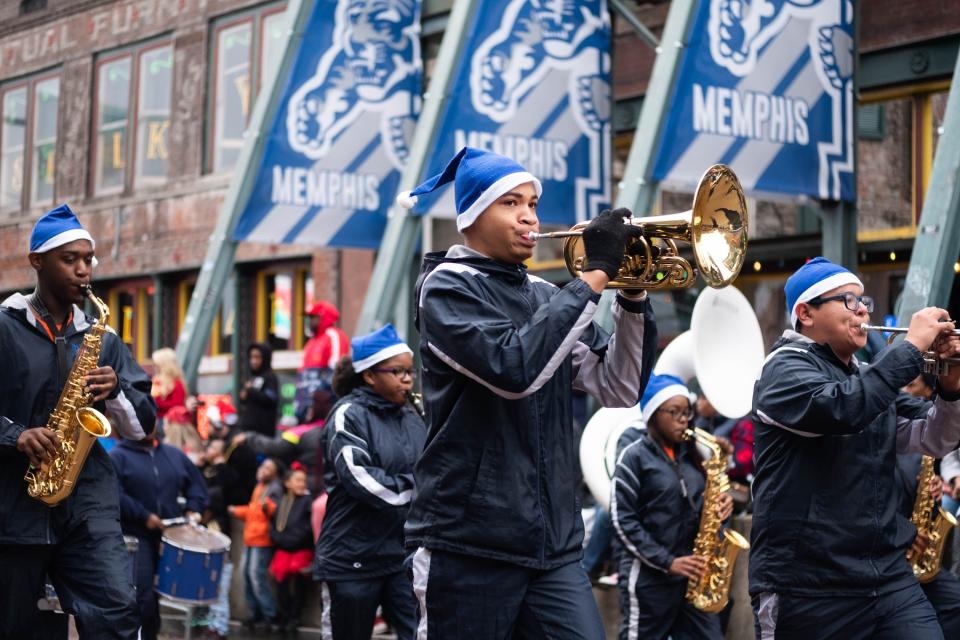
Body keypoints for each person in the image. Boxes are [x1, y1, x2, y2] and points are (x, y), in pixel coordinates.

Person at [399, 147, 656, 638]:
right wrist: (595, 274)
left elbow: (618, 385)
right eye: (511, 203)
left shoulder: (544, 294)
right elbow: (514, 369)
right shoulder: (446, 288)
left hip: (553, 547)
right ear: (472, 216)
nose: (529, 217)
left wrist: (632, 294)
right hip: (469, 545)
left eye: (533, 204)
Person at [750, 257, 960, 639]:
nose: (863, 309)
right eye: (849, 300)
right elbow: (843, 409)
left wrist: (952, 383)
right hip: (809, 587)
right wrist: (911, 347)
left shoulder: (866, 378)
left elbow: (936, 436)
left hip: (886, 577)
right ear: (805, 313)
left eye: (865, 301)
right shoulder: (781, 370)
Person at [0, 204, 156, 639]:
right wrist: (15, 436)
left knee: (117, 615)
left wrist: (118, 391)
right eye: (70, 260)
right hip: (13, 510)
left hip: (86, 507)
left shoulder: (103, 339)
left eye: (88, 260)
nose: (83, 270)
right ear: (37, 261)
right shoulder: (4, 329)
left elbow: (143, 429)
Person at [314, 324, 427, 640]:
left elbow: (432, 467)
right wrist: (419, 491)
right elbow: (361, 480)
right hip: (353, 558)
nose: (406, 379)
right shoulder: (347, 415)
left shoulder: (412, 415)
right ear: (368, 375)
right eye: (396, 371)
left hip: (402, 556)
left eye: (409, 371)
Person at [611, 373, 733, 640]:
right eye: (674, 412)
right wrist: (668, 562)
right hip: (649, 580)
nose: (683, 419)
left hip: (694, 577)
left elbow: (706, 508)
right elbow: (622, 520)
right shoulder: (633, 456)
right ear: (654, 415)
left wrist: (723, 506)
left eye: (687, 412)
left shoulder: (694, 455)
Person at [109, 435, 209, 640]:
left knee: (155, 597)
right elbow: (113, 492)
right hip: (134, 537)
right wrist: (143, 515)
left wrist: (193, 509)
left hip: (170, 536)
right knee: (142, 595)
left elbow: (197, 485)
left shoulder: (174, 454)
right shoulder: (118, 456)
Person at [229, 457, 283, 631]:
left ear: (275, 472)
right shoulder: (260, 486)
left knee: (256, 577)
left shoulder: (274, 488)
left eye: (268, 467)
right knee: (246, 576)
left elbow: (271, 511)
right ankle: (255, 614)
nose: (263, 469)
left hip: (262, 539)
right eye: (263, 466)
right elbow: (254, 511)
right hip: (250, 537)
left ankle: (272, 615)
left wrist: (265, 507)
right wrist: (237, 510)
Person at [270, 464, 315, 633]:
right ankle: (286, 614)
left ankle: (295, 617)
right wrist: (279, 538)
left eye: (303, 481)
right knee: (281, 583)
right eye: (297, 480)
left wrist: (287, 540)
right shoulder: (282, 501)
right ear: (287, 483)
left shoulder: (307, 502)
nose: (301, 484)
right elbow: (274, 526)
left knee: (299, 584)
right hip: (283, 548)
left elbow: (307, 528)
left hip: (299, 549)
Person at [296, 300, 350, 422]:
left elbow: (336, 371)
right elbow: (302, 375)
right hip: (306, 407)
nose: (309, 321)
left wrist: (321, 401)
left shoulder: (334, 336)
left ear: (323, 317)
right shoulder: (310, 342)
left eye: (312, 317)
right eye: (308, 317)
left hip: (324, 409)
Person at [238, 342, 279, 438]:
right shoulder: (253, 377)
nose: (253, 361)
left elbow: (270, 399)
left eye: (257, 357)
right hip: (248, 432)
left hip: (262, 436)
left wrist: (251, 390)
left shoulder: (270, 377)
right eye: (251, 357)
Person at [151, 347, 187, 422]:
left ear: (165, 365)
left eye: (157, 364)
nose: (155, 367)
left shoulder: (177, 383)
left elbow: (177, 405)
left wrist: (155, 402)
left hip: (170, 422)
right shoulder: (156, 380)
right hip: (156, 420)